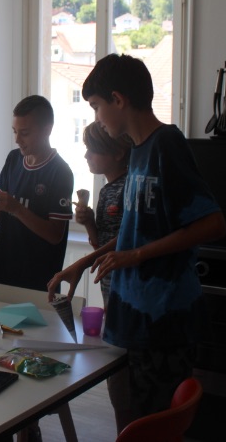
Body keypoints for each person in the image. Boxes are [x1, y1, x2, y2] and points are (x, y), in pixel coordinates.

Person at [47, 54, 226, 433]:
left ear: (118, 99)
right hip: (133, 319)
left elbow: (213, 224)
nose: (97, 117)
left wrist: (136, 256)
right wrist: (83, 262)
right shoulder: (140, 152)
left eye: (96, 106)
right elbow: (135, 231)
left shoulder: (166, 144)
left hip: (162, 322)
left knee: (149, 427)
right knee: (129, 417)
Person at [0, 95, 74, 292]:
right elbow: (5, 218)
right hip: (3, 268)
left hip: (38, 278)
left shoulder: (60, 172)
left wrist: (17, 208)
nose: (17, 140)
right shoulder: (14, 159)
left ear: (47, 130)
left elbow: (54, 234)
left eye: (24, 133)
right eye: (15, 132)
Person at [60, 121, 130, 309]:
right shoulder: (106, 191)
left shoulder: (129, 187)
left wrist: (84, 262)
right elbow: (100, 245)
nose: (86, 155)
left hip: (128, 282)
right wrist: (89, 223)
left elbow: (129, 238)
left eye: (93, 150)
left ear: (118, 153)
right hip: (108, 281)